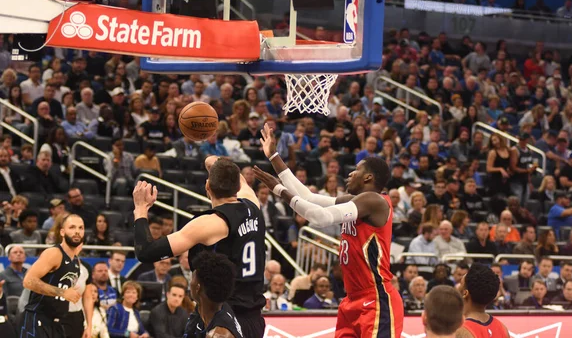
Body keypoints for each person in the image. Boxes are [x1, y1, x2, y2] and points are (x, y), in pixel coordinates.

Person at [254, 125, 403, 337]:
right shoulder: (357, 201)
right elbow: (308, 197)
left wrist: (279, 190)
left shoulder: (375, 201)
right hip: (352, 299)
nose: (350, 173)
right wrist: (273, 156)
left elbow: (319, 217)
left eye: (356, 170)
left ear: (368, 177)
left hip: (376, 298)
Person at [132, 155, 266, 337]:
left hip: (222, 316)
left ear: (207, 187)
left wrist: (140, 208)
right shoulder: (253, 204)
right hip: (253, 317)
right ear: (238, 186)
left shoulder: (210, 224)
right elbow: (216, 162)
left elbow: (146, 252)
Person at [20, 214, 84, 338]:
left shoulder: (76, 261)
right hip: (37, 319)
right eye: (72, 227)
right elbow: (28, 281)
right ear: (62, 232)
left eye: (81, 228)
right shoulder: (54, 253)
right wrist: (63, 292)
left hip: (57, 323)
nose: (77, 231)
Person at [182, 252, 244, 338]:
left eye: (192, 279)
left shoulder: (218, 335)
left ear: (198, 288)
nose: (190, 283)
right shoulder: (204, 309)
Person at [456, 263, 510, 338]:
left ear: (465, 293)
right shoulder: (503, 329)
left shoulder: (460, 331)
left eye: (460, 284)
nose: (457, 287)